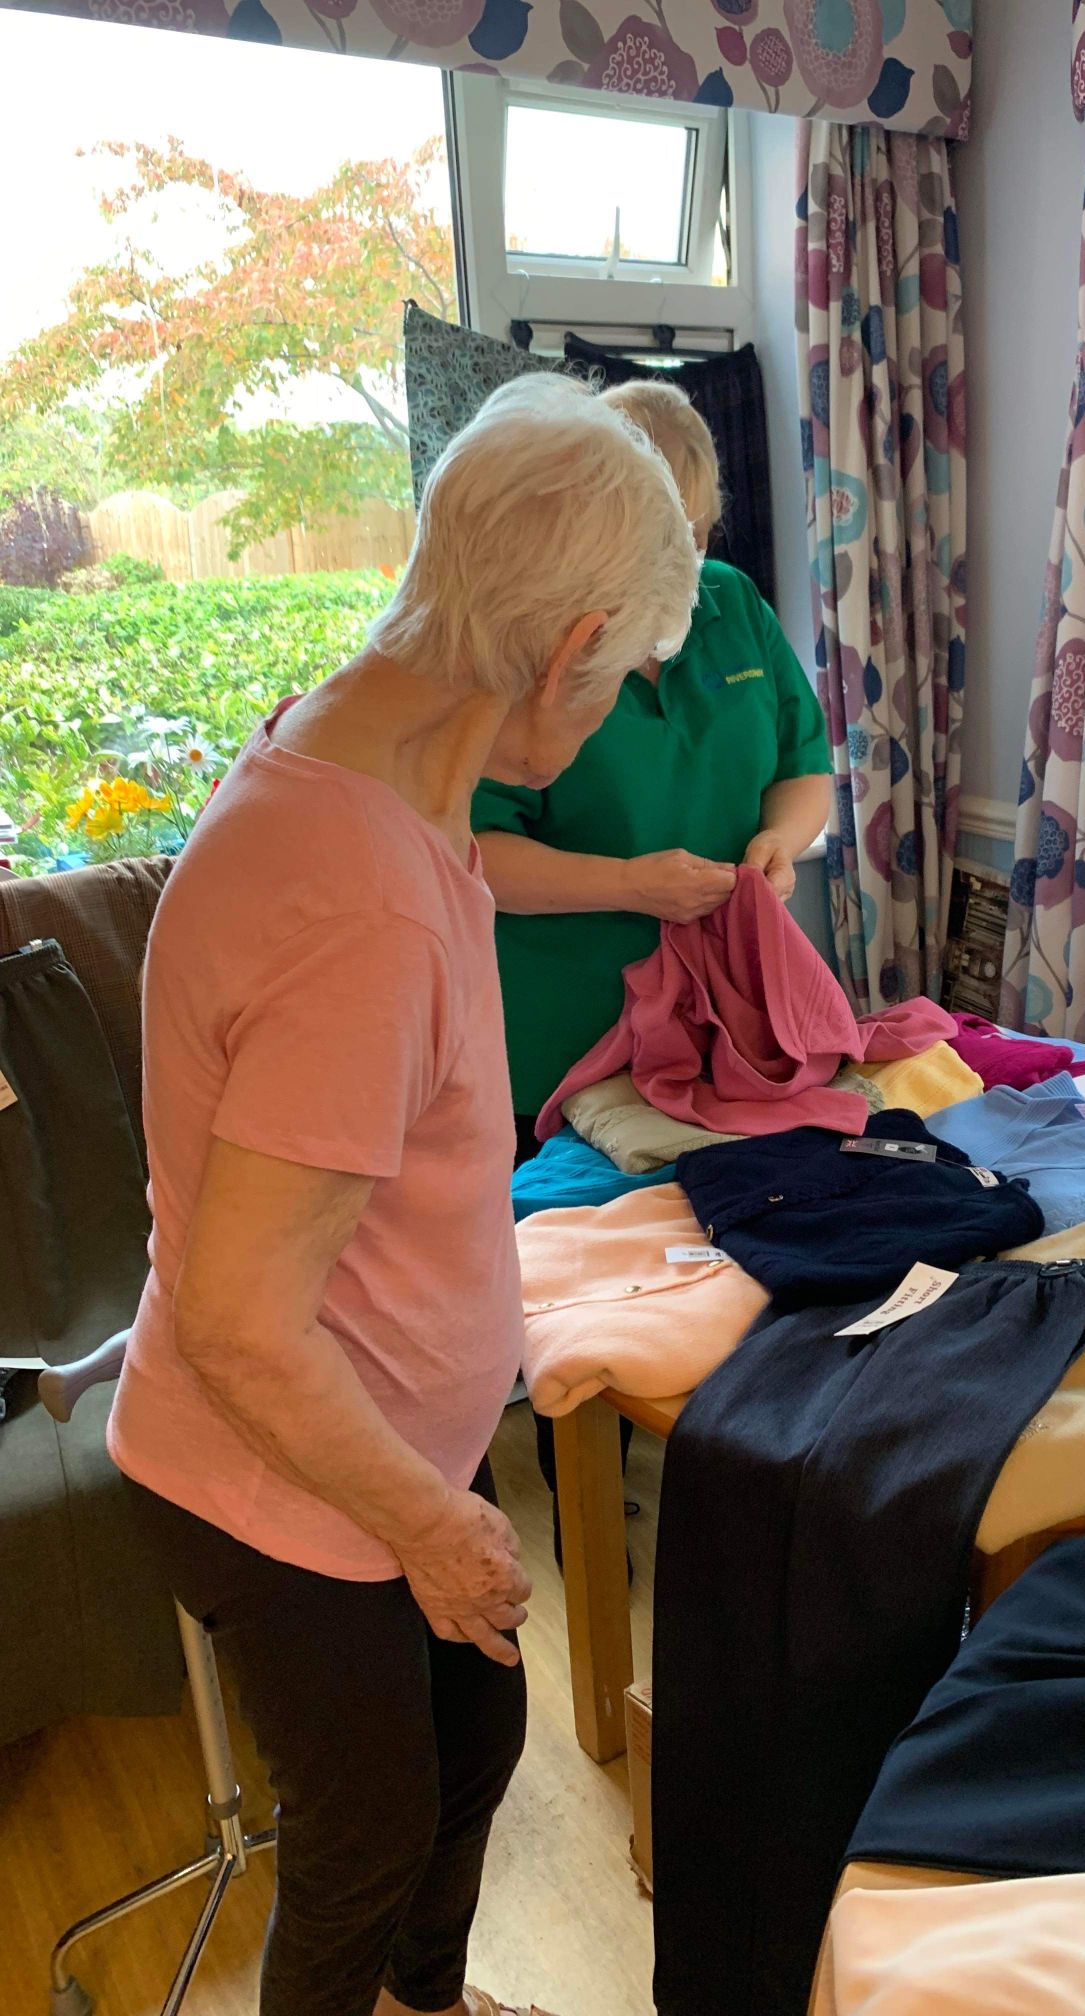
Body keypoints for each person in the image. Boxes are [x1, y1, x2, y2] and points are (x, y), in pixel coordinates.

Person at [106, 375, 701, 2016]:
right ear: (570, 648)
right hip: (278, 1472)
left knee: (477, 1735)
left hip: (376, 1437)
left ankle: (423, 2002)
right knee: (365, 1831)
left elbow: (448, 875)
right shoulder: (350, 901)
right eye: (617, 684)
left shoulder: (370, 743)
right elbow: (240, 1324)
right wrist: (435, 1526)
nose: (606, 720)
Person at [472, 377, 834, 1149]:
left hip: (719, 1027)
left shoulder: (732, 605)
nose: (685, 567)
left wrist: (778, 843)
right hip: (559, 1038)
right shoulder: (530, 640)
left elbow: (802, 766)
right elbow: (474, 852)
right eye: (664, 545)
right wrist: (630, 885)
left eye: (697, 540)